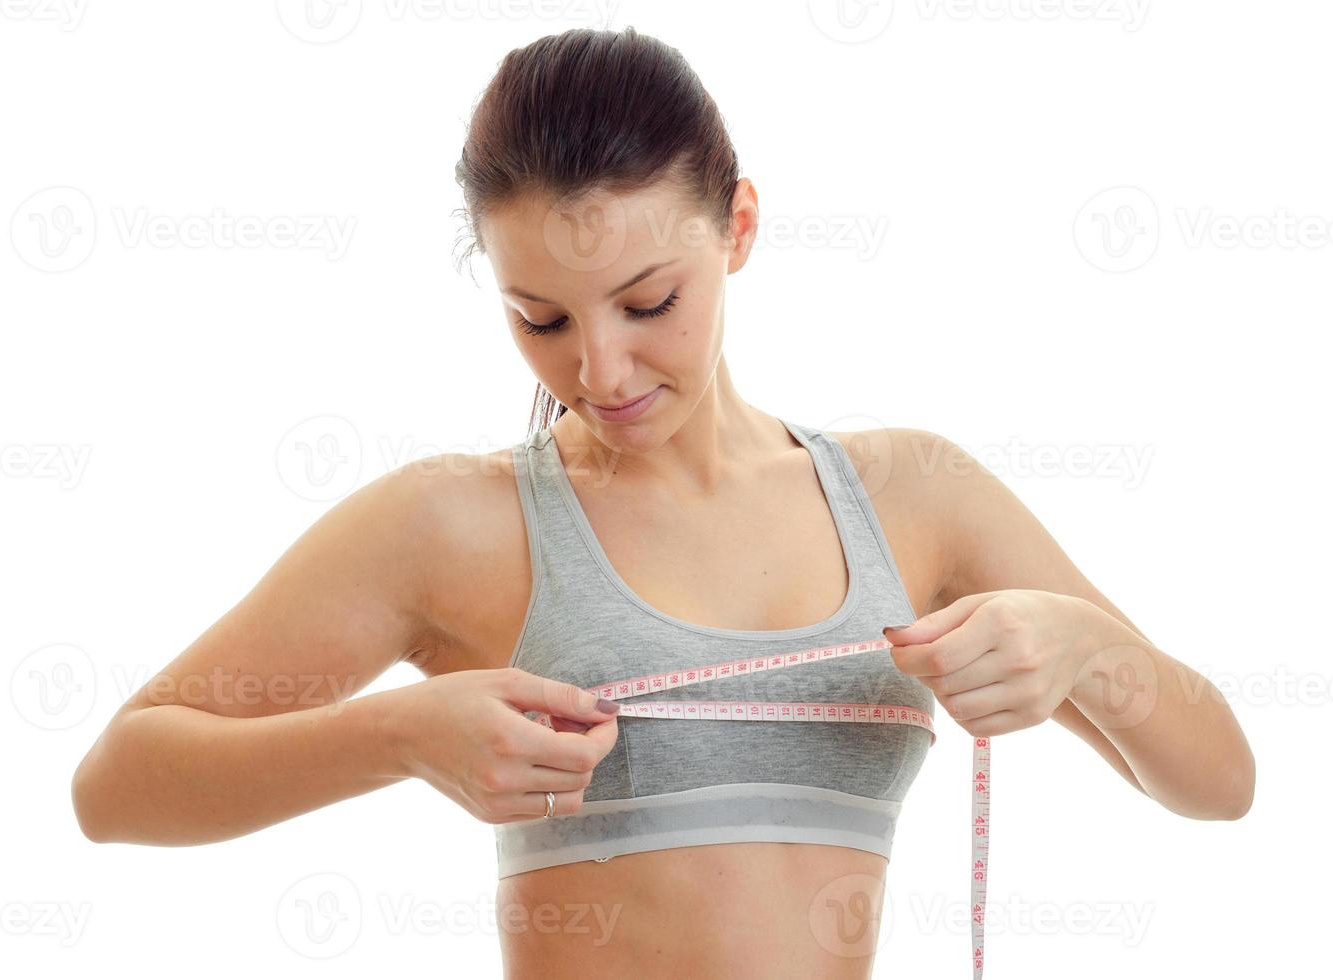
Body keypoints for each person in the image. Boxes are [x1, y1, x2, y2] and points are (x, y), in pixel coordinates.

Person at [71, 26, 1255, 978]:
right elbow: (117, 781)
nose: (599, 371)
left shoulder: (912, 494)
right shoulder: (454, 524)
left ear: (737, 226)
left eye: (647, 301)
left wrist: (1082, 646)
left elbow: (1220, 782)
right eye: (539, 318)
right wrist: (395, 736)